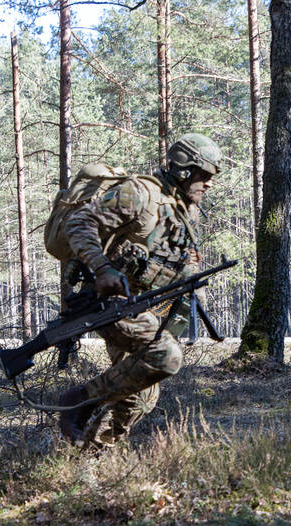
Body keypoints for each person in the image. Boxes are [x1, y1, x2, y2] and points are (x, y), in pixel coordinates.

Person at [57, 133, 223, 447]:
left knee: (140, 395)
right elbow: (80, 222)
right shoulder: (140, 193)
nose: (209, 184)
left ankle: (96, 448)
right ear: (184, 169)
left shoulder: (184, 211)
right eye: (205, 176)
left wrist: (191, 296)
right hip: (109, 301)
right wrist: (102, 268)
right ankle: (77, 402)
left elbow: (184, 260)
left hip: (143, 306)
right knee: (165, 357)